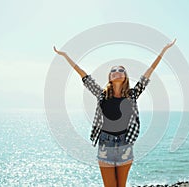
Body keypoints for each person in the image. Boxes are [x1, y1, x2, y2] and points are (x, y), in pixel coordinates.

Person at [53, 38, 176, 187]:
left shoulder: (132, 94)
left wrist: (163, 50)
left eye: (121, 70)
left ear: (125, 76)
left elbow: (149, 72)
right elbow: (84, 76)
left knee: (121, 185)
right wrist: (65, 55)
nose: (117, 72)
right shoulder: (101, 94)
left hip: (125, 143)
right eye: (113, 70)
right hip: (105, 143)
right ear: (110, 77)